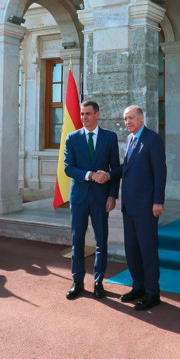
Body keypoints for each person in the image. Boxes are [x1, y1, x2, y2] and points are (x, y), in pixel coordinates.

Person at [62, 100, 121, 300]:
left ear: (97, 114)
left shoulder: (110, 138)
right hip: (79, 197)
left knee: (101, 240)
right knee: (77, 240)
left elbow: (115, 170)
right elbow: (68, 168)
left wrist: (112, 195)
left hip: (101, 198)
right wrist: (90, 174)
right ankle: (77, 281)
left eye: (88, 114)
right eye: (81, 114)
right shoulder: (72, 138)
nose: (84, 118)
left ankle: (98, 281)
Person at [119, 105, 167, 311]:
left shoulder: (152, 139)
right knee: (132, 250)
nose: (127, 122)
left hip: (147, 207)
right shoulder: (130, 140)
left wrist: (158, 201)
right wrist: (107, 174)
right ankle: (138, 286)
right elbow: (125, 169)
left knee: (147, 251)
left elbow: (160, 172)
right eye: (125, 119)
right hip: (128, 206)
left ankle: (152, 293)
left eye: (131, 118)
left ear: (141, 118)